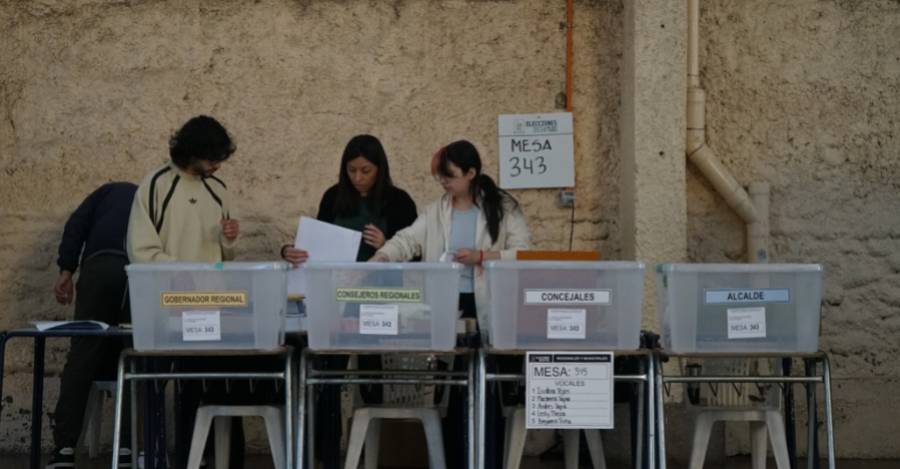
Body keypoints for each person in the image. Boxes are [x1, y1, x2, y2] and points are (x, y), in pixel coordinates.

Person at [371, 139, 531, 468]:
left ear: (472, 173)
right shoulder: (437, 211)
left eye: (451, 176)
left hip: (489, 305)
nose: (445, 183)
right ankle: (454, 457)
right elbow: (408, 239)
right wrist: (382, 256)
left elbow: (525, 252)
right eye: (441, 178)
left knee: (486, 383)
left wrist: (483, 256)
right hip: (449, 304)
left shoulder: (502, 208)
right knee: (453, 384)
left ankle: (487, 457)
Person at [281, 134, 417, 469]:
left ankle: (371, 454)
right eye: (352, 170)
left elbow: (417, 256)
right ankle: (328, 454)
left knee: (371, 376)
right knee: (328, 376)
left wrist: (387, 244)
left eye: (366, 170)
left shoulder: (398, 202)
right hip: (336, 299)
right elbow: (318, 244)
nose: (358, 177)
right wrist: (291, 251)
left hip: (378, 299)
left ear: (380, 169)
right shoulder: (333, 197)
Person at [127, 115, 243, 469]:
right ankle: (162, 455)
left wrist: (230, 236)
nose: (217, 165)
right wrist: (177, 271)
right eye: (212, 158)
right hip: (165, 304)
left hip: (209, 304)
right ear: (192, 151)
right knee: (159, 384)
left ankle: (205, 457)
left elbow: (227, 255)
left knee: (205, 384)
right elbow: (140, 250)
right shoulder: (156, 185)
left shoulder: (218, 189)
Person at [46, 182, 137, 469]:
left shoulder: (102, 195)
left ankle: (64, 449)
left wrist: (66, 270)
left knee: (83, 354)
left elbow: (76, 228)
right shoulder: (151, 197)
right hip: (137, 271)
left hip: (99, 268)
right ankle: (127, 447)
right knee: (135, 354)